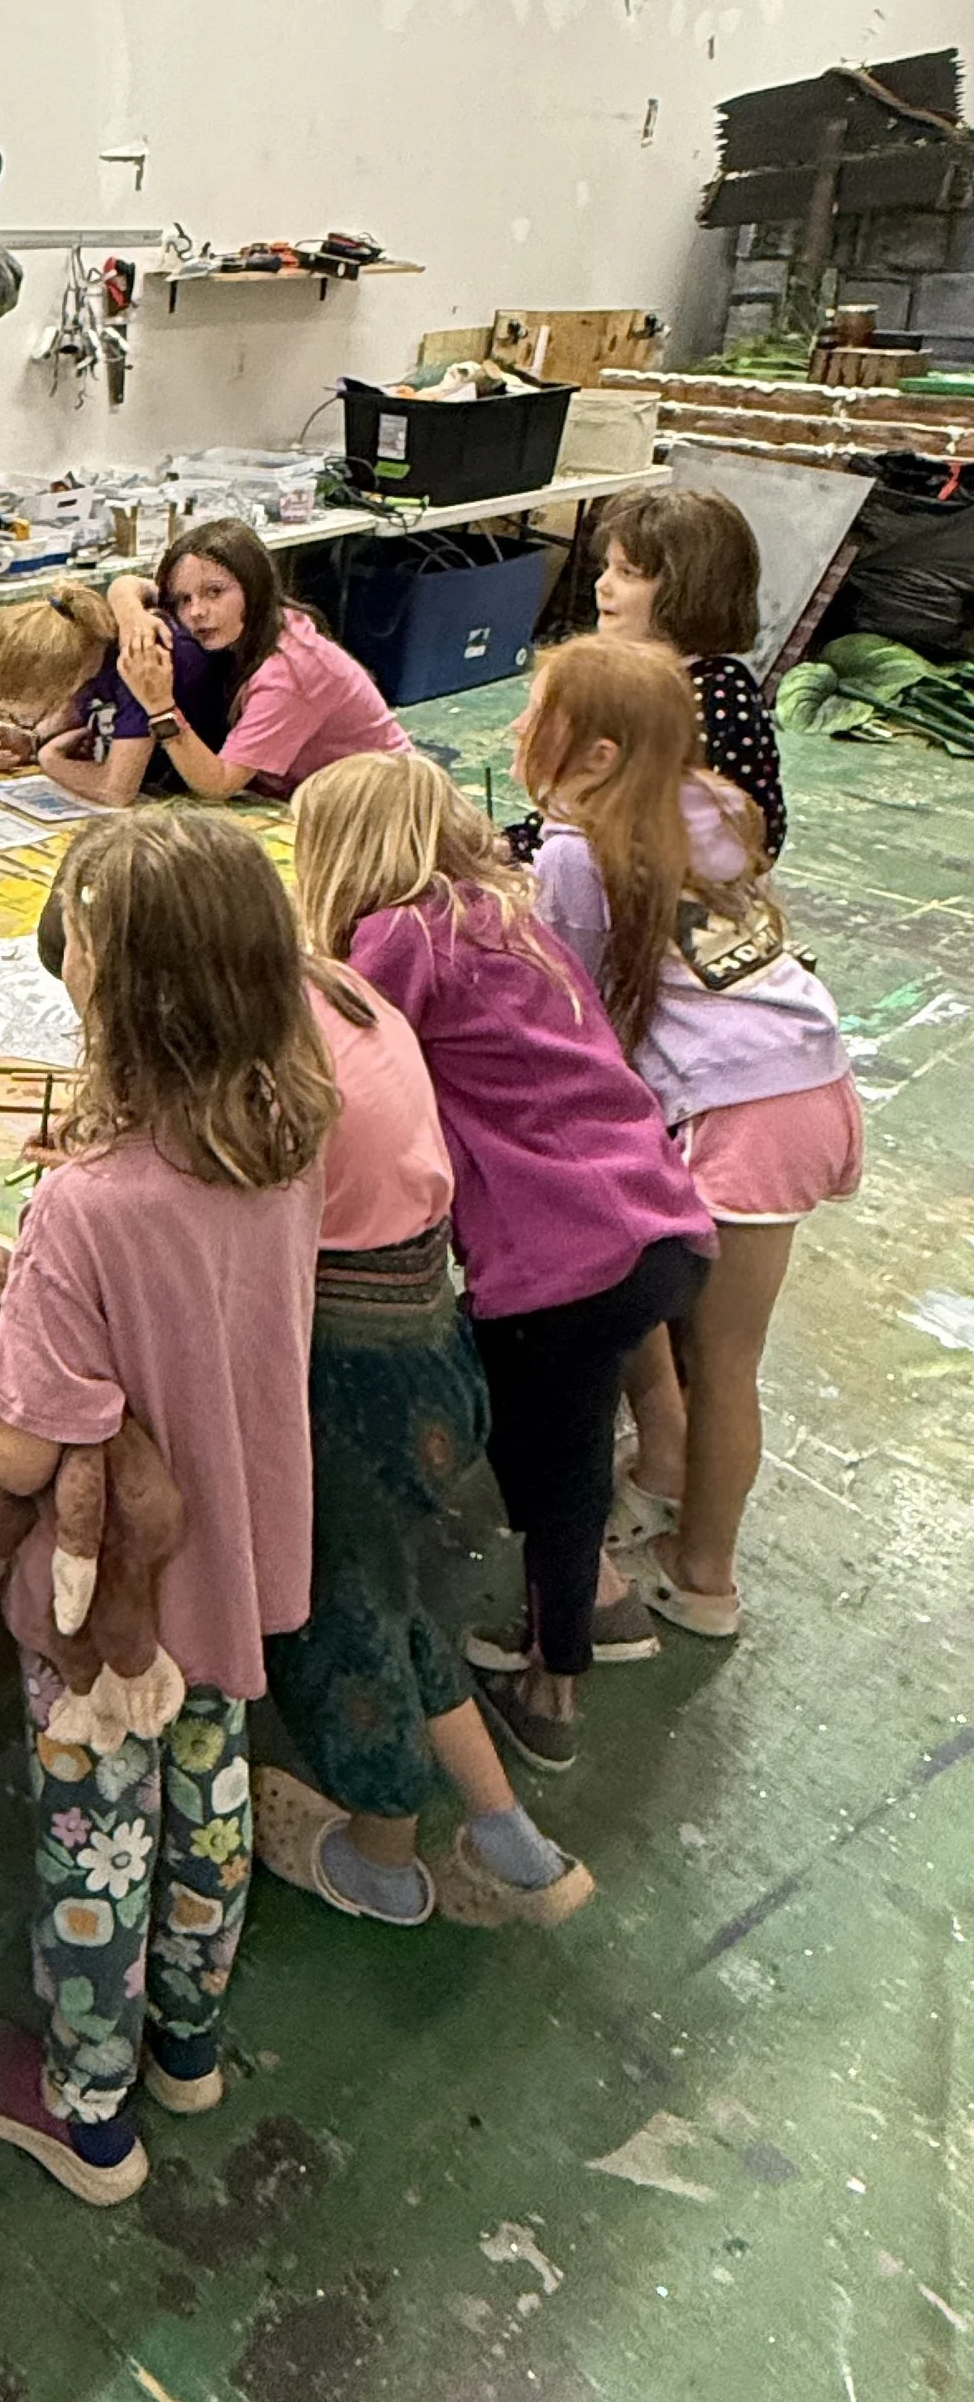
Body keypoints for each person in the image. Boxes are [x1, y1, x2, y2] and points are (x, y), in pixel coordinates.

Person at [0, 811, 329, 2206]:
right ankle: (187, 2044)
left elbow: (30, 1454)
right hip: (244, 1549)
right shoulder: (292, 1128)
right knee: (211, 1784)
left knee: (99, 1828)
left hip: (111, 1619)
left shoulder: (88, 1210)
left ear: (115, 989)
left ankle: (88, 2110)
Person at [290, 752, 713, 1775]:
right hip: (656, 1215)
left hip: (561, 1256)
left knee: (554, 1461)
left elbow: (343, 1053)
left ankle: (552, 1681)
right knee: (549, 1440)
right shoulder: (497, 907)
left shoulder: (395, 935)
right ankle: (599, 1607)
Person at [516, 635, 858, 1643]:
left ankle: (701, 1574)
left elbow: (574, 1020)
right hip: (809, 1075)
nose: (522, 732)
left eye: (543, 718)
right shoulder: (705, 798)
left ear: (600, 752)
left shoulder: (576, 850)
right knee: (670, 1312)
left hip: (749, 1106)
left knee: (722, 1359)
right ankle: (664, 1470)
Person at [254, 962, 593, 1930]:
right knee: (387, 1590)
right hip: (429, 1347)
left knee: (338, 1628)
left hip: (352, 1385)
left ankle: (382, 1859)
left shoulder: (263, 1062)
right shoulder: (344, 996)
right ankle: (503, 1832)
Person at [108, 518, 410, 799]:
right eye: (184, 599)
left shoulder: (290, 672)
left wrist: (160, 707)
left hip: (381, 802)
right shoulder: (266, 624)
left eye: (214, 592)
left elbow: (218, 784)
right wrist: (131, 615)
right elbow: (128, 585)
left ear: (255, 588)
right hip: (318, 791)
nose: (197, 611)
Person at [595, 481, 785, 859]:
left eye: (628, 573)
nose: (602, 585)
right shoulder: (621, 674)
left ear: (688, 590)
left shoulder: (716, 694)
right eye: (606, 568)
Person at [0, 581, 230, 805]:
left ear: (68, 680)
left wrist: (50, 760)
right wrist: (30, 739)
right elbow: (77, 712)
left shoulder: (140, 661)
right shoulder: (89, 648)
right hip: (158, 791)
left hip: (196, 796)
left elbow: (116, 790)